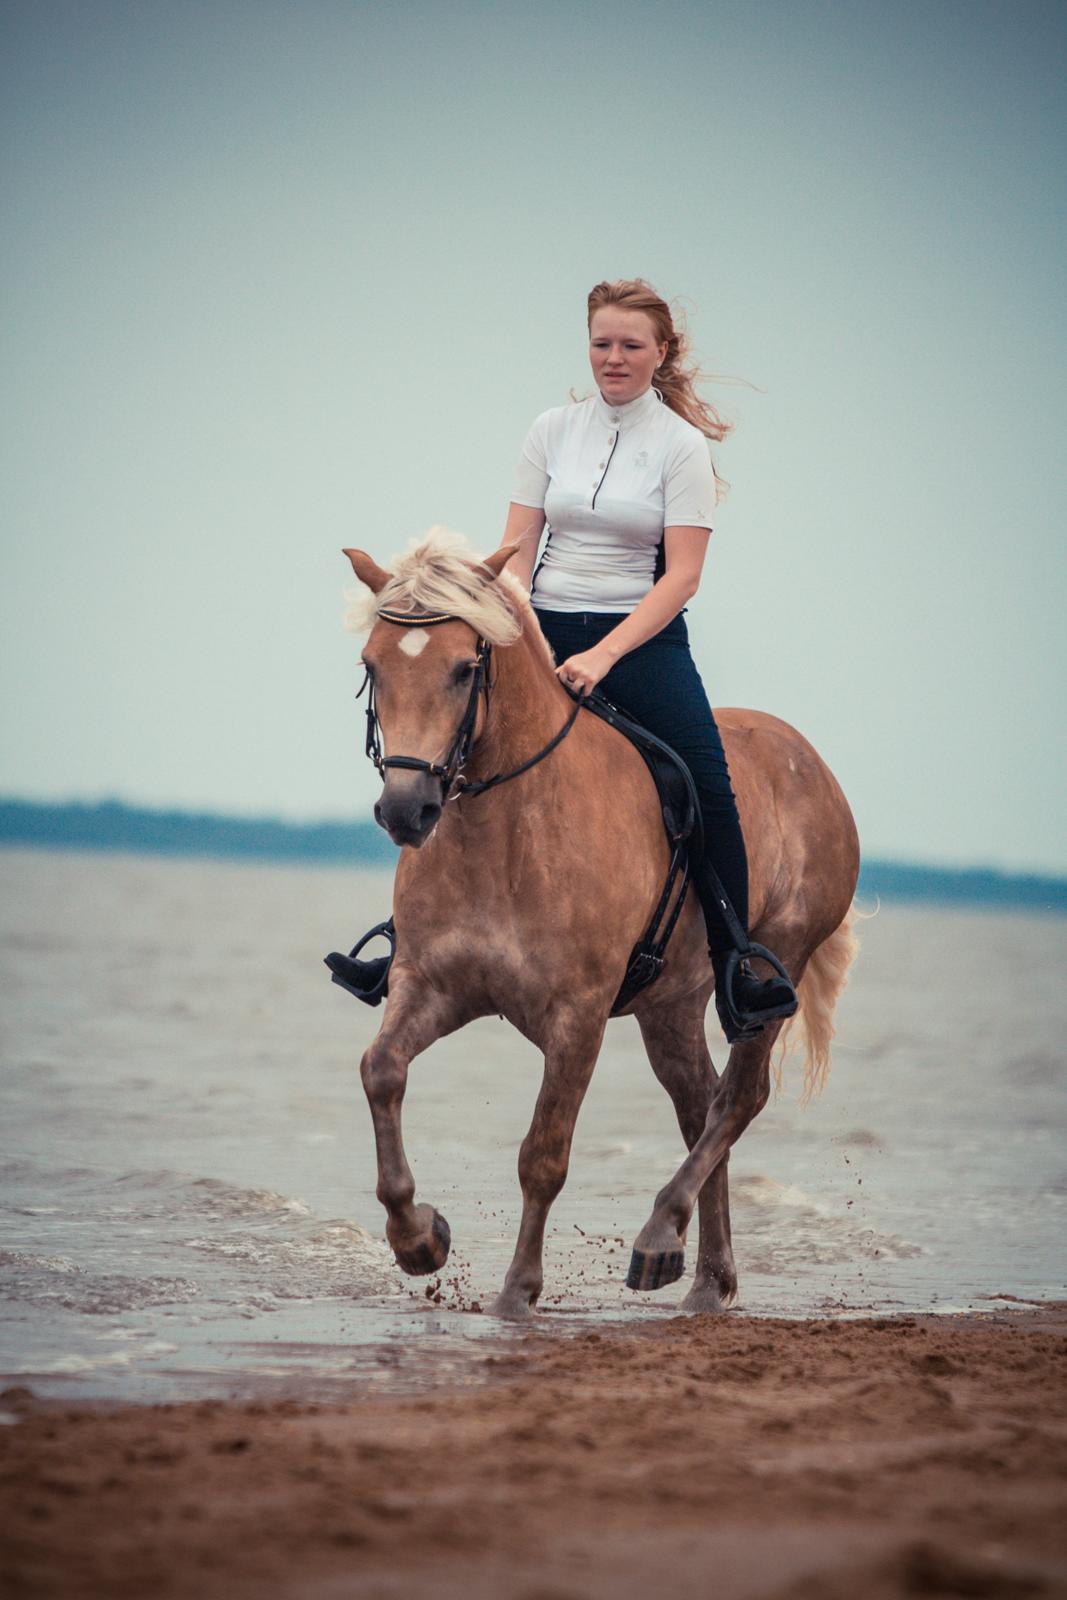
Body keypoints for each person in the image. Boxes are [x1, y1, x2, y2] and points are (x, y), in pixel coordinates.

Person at [327, 278, 797, 1043]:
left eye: (630, 345)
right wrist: (511, 629)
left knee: (705, 783)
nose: (614, 357)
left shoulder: (679, 447)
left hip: (639, 641)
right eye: (601, 343)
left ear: (660, 353)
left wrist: (605, 655)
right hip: (539, 628)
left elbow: (682, 575)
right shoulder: (550, 430)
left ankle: (739, 960)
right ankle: (409, 945)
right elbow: (517, 549)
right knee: (457, 752)